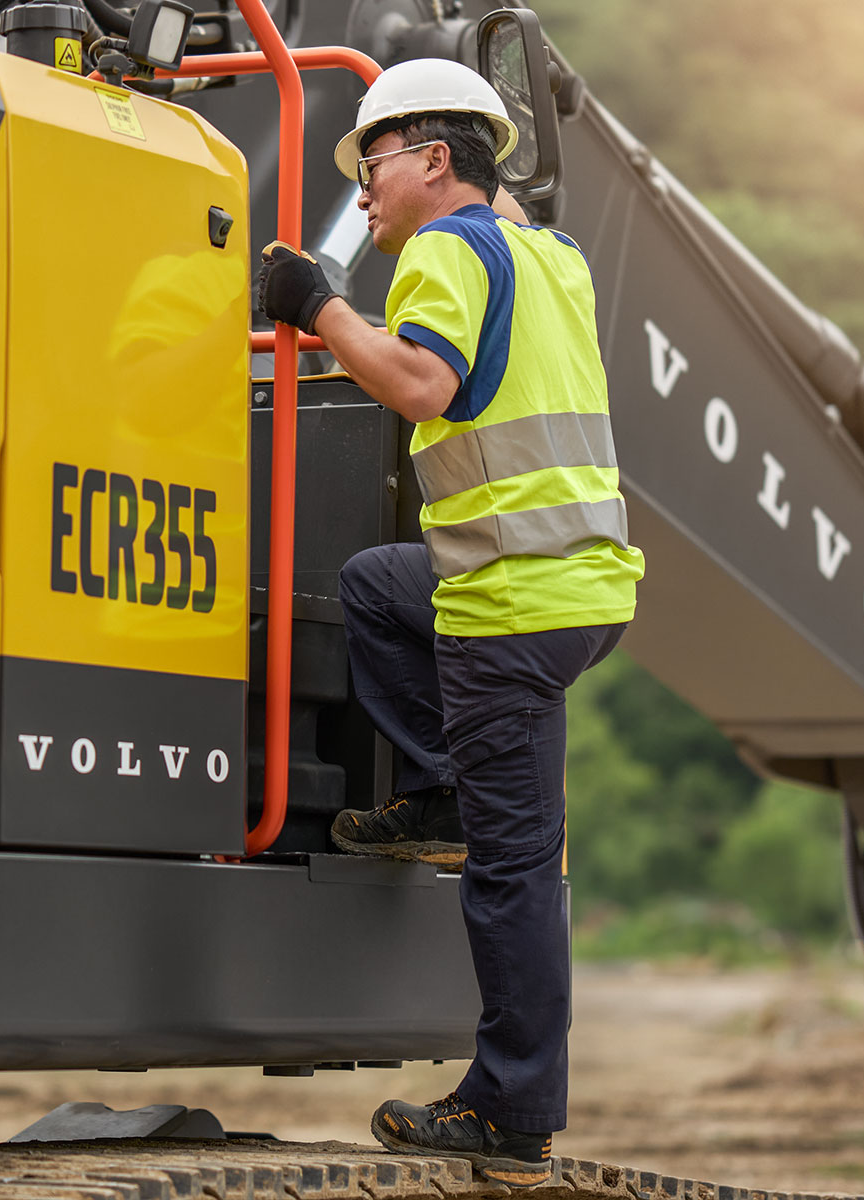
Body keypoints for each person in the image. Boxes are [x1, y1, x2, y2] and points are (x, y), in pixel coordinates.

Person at [257, 58, 644, 1187]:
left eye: (370, 162)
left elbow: (422, 385)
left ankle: (508, 1111)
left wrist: (314, 301)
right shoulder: (545, 255)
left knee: (511, 871)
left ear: (432, 159)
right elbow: (501, 203)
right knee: (381, 583)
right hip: (575, 586)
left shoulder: (441, 255)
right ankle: (436, 794)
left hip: (509, 605)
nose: (361, 190)